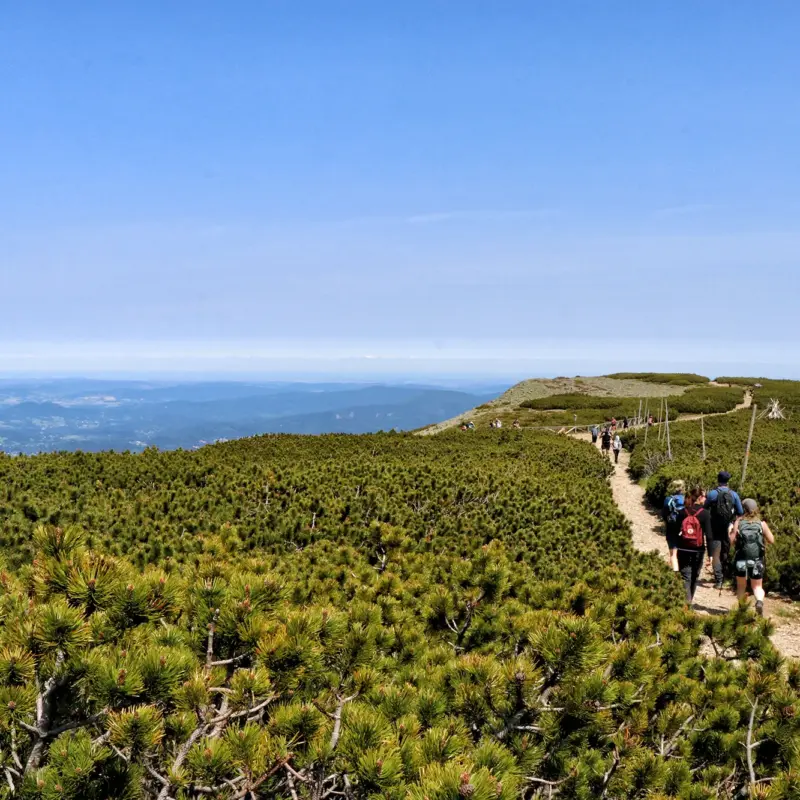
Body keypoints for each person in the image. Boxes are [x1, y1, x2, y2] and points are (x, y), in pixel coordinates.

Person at [729, 498, 774, 615]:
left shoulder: (738, 522)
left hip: (741, 559)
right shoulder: (762, 524)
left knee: (741, 586)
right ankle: (759, 601)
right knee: (757, 586)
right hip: (757, 559)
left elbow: (731, 541)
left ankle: (741, 610)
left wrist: (731, 531)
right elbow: (771, 540)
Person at [704, 470, 744, 589]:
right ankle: (725, 574)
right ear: (728, 481)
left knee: (715, 552)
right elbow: (740, 512)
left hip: (714, 527)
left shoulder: (712, 494)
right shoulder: (734, 494)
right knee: (725, 550)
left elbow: (705, 509)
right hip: (728, 527)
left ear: (718, 479)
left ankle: (719, 579)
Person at [675, 486, 712, 606]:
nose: (705, 498)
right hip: (698, 550)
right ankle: (688, 602)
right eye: (704, 496)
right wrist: (710, 555)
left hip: (683, 548)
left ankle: (686, 603)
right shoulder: (705, 514)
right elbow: (709, 535)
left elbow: (675, 531)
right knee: (694, 576)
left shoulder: (682, 512)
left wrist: (675, 547)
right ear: (700, 497)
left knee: (685, 576)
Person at [662, 479, 686, 572]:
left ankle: (675, 572)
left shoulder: (668, 499)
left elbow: (664, 514)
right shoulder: (687, 499)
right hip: (685, 528)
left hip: (671, 527)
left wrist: (667, 522)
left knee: (673, 553)